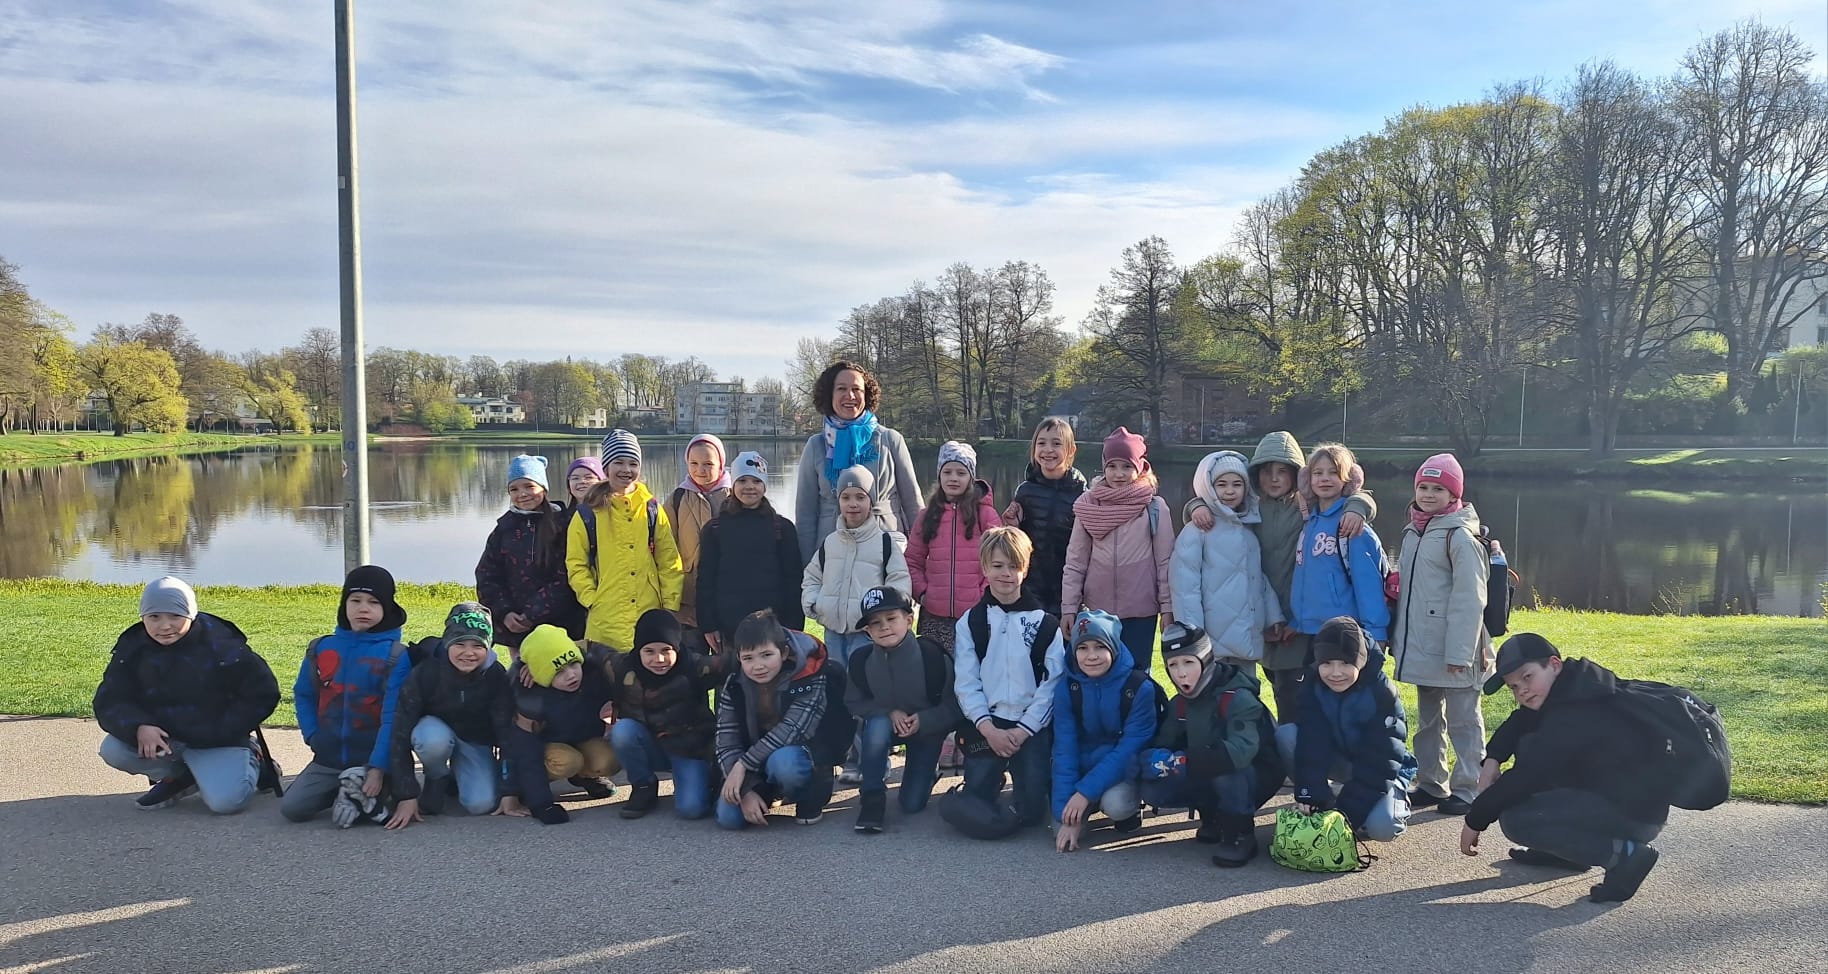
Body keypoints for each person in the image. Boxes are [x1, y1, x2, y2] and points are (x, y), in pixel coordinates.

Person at [1461, 634, 1670, 904]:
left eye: (1527, 677)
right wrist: (1493, 758)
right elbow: (1520, 720)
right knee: (1528, 745)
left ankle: (1626, 856)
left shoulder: (1576, 710)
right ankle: (1565, 854)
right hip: (1620, 801)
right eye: (1514, 686)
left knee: (1518, 819)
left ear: (1554, 664)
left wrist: (1475, 819)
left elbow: (1529, 775)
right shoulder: (1576, 686)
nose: (1522, 690)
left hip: (1635, 816)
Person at [1185, 432, 1375, 723]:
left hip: (1299, 616)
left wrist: (1358, 506)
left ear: (1298, 474)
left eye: (1283, 471)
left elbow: (1353, 496)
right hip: (1256, 614)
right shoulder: (1248, 508)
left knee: (1294, 689)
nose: (1274, 479)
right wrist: (1194, 506)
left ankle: (1296, 742)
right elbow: (1216, 504)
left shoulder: (1308, 507)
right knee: (1256, 682)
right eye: (1266, 471)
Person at [93, 577, 281, 813]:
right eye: (154, 617)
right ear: (143, 617)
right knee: (114, 750)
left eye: (175, 616)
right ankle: (182, 776)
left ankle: (256, 760)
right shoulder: (132, 647)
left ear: (191, 614)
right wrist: (138, 726)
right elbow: (111, 699)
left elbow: (263, 692)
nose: (164, 626)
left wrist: (222, 731)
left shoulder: (223, 645)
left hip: (216, 739)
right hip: (166, 740)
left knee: (227, 802)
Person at [1390, 453, 1494, 817]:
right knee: (1428, 719)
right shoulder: (1414, 532)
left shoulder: (1460, 535)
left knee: (1465, 721)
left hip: (1456, 649)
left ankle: (1470, 788)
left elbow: (1470, 598)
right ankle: (1432, 781)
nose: (1428, 495)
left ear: (1454, 495)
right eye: (1423, 487)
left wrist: (1460, 653)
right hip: (1423, 646)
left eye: (1438, 488)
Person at [1140, 623, 1284, 867]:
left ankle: (1241, 835)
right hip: (1209, 768)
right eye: (1173, 665)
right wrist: (1152, 760)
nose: (1181, 673)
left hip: (1257, 774)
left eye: (1188, 662)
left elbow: (1240, 752)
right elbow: (1160, 743)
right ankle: (1212, 818)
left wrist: (1183, 761)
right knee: (1152, 787)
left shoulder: (1238, 697)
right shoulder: (1179, 704)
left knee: (1224, 768)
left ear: (1206, 660)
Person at [953, 526, 1067, 830]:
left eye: (1014, 566)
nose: (1006, 574)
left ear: (1025, 569)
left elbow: (1051, 684)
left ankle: (1026, 781)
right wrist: (988, 729)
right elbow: (966, 682)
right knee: (977, 798)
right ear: (984, 567)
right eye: (997, 565)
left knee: (1032, 814)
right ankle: (990, 777)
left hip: (1029, 726)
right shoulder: (971, 622)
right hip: (987, 723)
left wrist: (1024, 729)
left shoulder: (1045, 624)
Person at [282, 565, 413, 827]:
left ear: (387, 608)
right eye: (355, 600)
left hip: (373, 759)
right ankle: (348, 789)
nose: (363, 609)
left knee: (369, 806)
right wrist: (312, 735)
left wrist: (377, 768)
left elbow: (393, 717)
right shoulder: (321, 648)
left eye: (373, 602)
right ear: (344, 604)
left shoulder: (396, 656)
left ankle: (370, 786)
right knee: (292, 809)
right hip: (329, 757)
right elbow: (304, 694)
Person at [1276, 616, 1415, 842]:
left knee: (1383, 827)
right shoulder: (1312, 686)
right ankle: (1325, 801)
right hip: (1340, 760)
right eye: (1327, 663)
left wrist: (1344, 816)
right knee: (1287, 735)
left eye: (1345, 663)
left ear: (1360, 661)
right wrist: (1311, 794)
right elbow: (1311, 743)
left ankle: (1396, 797)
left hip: (1383, 770)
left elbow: (1381, 762)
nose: (1336, 672)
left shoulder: (1381, 693)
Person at [713, 609, 851, 829]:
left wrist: (743, 764)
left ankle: (809, 792)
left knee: (784, 763)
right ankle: (769, 790)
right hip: (755, 760)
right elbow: (725, 739)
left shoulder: (810, 674)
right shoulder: (734, 683)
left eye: (766, 655)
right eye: (748, 658)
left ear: (784, 652)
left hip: (800, 751)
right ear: (739, 658)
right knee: (729, 819)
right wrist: (745, 789)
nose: (758, 665)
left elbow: (792, 730)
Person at [383, 603, 517, 828]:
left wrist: (509, 791)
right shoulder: (425, 672)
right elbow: (400, 731)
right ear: (447, 642)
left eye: (478, 645)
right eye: (460, 644)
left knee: (481, 804)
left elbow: (507, 733)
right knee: (432, 741)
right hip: (435, 733)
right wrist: (406, 795)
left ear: (489, 646)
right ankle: (436, 776)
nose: (468, 653)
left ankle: (458, 775)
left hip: (475, 740)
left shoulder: (496, 675)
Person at [844, 586, 961, 833]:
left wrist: (924, 720)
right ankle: (872, 797)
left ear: (909, 620)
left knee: (912, 804)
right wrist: (888, 711)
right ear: (867, 631)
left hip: (926, 730)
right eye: (875, 623)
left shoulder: (932, 656)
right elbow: (853, 701)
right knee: (877, 725)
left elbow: (955, 706)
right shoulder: (860, 660)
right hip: (886, 725)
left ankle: (927, 773)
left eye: (891, 618)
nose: (884, 627)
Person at [1061, 427, 1174, 673]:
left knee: (1136, 675)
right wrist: (1069, 608)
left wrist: (1167, 608)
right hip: (1097, 612)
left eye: (1127, 466)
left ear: (1140, 468)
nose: (1119, 474)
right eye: (1112, 466)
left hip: (1141, 613)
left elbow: (1165, 563)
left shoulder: (1154, 508)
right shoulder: (1088, 506)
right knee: (1099, 673)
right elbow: (1076, 562)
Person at [794, 360, 922, 564]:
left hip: (886, 550)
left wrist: (919, 560)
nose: (850, 396)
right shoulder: (816, 446)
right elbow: (805, 515)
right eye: (841, 389)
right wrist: (807, 567)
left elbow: (913, 504)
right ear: (829, 394)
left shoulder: (890, 440)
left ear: (867, 394)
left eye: (856, 389)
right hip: (832, 553)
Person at [1051, 609, 1159, 852]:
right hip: (1082, 767)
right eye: (1082, 648)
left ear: (1114, 647)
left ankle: (1126, 807)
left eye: (1100, 647)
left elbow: (1129, 751)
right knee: (1060, 827)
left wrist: (1083, 794)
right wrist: (1065, 813)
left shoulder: (1138, 687)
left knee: (1117, 805)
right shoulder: (1067, 688)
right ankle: (1087, 804)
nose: (1091, 656)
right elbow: (1064, 751)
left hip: (1122, 769)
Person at [567, 429, 684, 649]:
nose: (626, 470)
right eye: (619, 462)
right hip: (605, 619)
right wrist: (592, 599)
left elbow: (669, 560)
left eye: (633, 463)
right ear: (606, 468)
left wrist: (669, 606)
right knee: (606, 670)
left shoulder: (652, 508)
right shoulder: (587, 513)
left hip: (648, 613)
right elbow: (576, 564)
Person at [607, 608, 726, 820]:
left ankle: (704, 778)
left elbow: (737, 661)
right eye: (649, 651)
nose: (659, 658)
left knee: (692, 809)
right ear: (638, 650)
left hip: (688, 749)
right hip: (651, 745)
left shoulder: (694, 666)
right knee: (623, 731)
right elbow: (588, 652)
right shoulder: (622, 666)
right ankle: (643, 786)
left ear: (677, 647)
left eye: (666, 650)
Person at [1170, 450, 1283, 669]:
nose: (1230, 491)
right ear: (1209, 487)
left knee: (1246, 689)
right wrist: (1193, 634)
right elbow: (1185, 589)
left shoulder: (1248, 530)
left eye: (1237, 484)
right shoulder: (1197, 531)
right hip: (1211, 644)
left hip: (1246, 638)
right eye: (1221, 484)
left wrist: (1273, 616)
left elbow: (1257, 578)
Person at [502, 625, 621, 825]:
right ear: (540, 675)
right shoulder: (529, 696)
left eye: (573, 664)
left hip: (581, 737)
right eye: (558, 672)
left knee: (609, 759)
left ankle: (584, 776)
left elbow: (607, 654)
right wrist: (540, 804)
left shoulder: (594, 671)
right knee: (568, 761)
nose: (571, 675)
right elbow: (522, 750)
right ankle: (528, 787)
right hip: (547, 746)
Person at [801, 465, 912, 669]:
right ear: (839, 501)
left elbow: (899, 584)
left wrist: (882, 617)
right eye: (846, 497)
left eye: (860, 497)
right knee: (836, 681)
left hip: (867, 633)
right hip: (833, 633)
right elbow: (812, 577)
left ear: (871, 501)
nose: (853, 504)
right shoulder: (830, 543)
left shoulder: (885, 544)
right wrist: (817, 603)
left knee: (864, 680)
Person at [696, 451, 804, 653]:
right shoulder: (715, 529)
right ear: (733, 484)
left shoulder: (782, 528)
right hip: (729, 627)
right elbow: (705, 580)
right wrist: (708, 624)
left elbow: (793, 580)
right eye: (742, 480)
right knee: (731, 673)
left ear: (764, 485)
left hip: (774, 626)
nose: (749, 487)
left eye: (756, 481)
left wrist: (794, 627)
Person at [1291, 443, 1390, 655]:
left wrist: (1376, 632)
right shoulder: (1310, 522)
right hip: (1309, 631)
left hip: (1343, 631)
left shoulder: (1351, 525)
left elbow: (1368, 583)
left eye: (1334, 472)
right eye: (1318, 473)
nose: (1325, 479)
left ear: (1347, 479)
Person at [905, 440, 1001, 652]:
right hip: (934, 615)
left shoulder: (986, 515)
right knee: (937, 667)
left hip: (975, 613)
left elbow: (999, 560)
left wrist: (984, 595)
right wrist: (923, 593)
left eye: (961, 473)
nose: (954, 478)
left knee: (974, 666)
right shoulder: (927, 516)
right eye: (947, 472)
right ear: (939, 475)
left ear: (971, 477)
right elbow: (912, 560)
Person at [476, 455, 575, 651]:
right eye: (514, 489)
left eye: (529, 486)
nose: (522, 494)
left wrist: (532, 614)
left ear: (543, 488)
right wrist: (505, 613)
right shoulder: (503, 529)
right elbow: (487, 575)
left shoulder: (563, 525)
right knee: (520, 669)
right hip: (514, 627)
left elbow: (567, 576)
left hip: (559, 624)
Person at [1002, 417, 1086, 619]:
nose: (1048, 450)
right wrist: (1013, 526)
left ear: (1071, 450)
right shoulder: (1025, 491)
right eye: (1041, 443)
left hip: (1067, 590)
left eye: (1056, 444)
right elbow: (1018, 545)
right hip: (1031, 588)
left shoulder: (1082, 494)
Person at [664, 433, 731, 647]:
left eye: (708, 464)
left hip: (726, 599)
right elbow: (665, 551)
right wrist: (674, 605)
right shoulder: (677, 499)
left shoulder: (734, 497)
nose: (700, 470)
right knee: (692, 660)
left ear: (721, 464)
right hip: (688, 602)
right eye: (694, 463)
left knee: (729, 661)